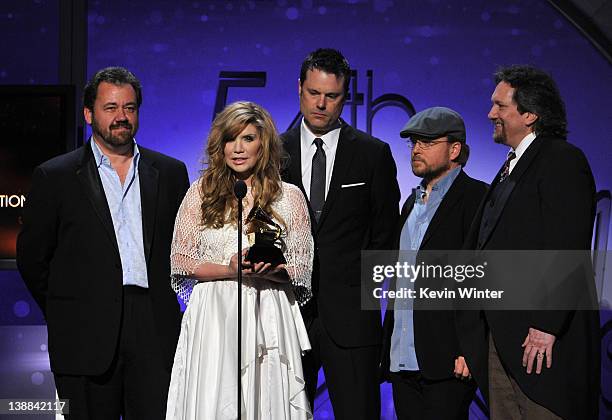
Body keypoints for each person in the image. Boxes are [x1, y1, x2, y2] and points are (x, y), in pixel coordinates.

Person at [16, 66, 190, 419]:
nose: (121, 117)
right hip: (83, 331)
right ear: (88, 114)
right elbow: (33, 258)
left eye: (129, 108)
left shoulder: (170, 173)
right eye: (111, 108)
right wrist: (68, 308)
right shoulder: (56, 176)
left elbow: (183, 247)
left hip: (153, 327)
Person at [456, 65, 600, 419]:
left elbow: (568, 245)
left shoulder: (561, 160)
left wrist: (546, 325)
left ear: (530, 114)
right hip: (502, 339)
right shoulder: (512, 166)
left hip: (539, 344)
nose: (491, 114)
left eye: (500, 106)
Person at [165, 101, 313, 419]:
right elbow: (180, 260)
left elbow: (302, 269)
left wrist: (272, 271)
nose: (238, 149)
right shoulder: (200, 194)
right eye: (231, 139)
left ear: (264, 143)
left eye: (248, 138)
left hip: (269, 312)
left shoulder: (289, 197)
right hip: (214, 317)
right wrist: (229, 270)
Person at [281, 48, 400, 419]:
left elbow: (386, 238)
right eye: (314, 93)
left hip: (351, 325)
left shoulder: (372, 154)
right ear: (300, 88)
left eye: (331, 96)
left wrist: (360, 295)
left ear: (344, 97)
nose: (321, 104)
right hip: (284, 316)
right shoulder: (272, 153)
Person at [380, 107, 487, 419]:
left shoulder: (477, 198)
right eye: (414, 142)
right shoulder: (411, 202)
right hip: (403, 359)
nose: (416, 149)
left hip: (449, 360)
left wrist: (471, 347)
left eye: (426, 142)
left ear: (454, 149)